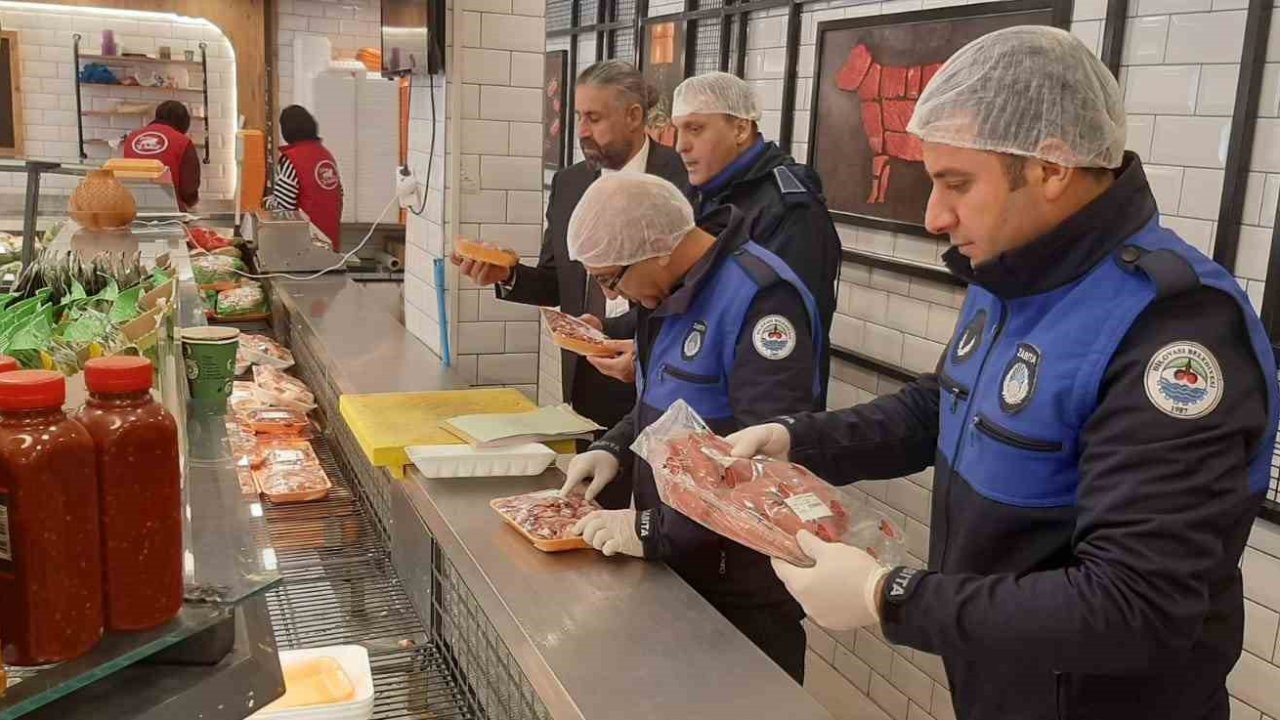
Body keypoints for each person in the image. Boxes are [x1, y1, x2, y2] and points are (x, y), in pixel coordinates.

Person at [726, 26, 1279, 720]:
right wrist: (796, 439)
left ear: (1051, 168)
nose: (934, 216)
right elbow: (942, 406)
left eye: (956, 183)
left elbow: (1137, 606)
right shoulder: (1015, 270)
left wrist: (889, 597)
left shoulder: (1174, 328)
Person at [558, 172, 827, 684]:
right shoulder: (661, 296)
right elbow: (661, 404)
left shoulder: (761, 301)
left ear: (657, 248)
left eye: (611, 279)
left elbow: (764, 469)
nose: (612, 295)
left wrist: (652, 530)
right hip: (675, 565)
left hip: (740, 589)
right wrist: (614, 447)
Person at [451, 61, 687, 505]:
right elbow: (559, 282)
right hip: (589, 376)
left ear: (634, 116)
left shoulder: (684, 179)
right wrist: (508, 275)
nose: (581, 130)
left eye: (594, 118)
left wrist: (641, 342)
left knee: (663, 514)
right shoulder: (569, 184)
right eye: (579, 116)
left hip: (662, 367)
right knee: (597, 504)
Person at [668, 72, 841, 398]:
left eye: (695, 128)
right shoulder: (700, 194)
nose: (680, 145)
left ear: (740, 129)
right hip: (693, 380)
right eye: (677, 129)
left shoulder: (790, 210)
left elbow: (778, 330)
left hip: (754, 401)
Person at [265, 105, 345, 251]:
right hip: (330, 244)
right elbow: (339, 196)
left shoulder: (293, 159)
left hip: (302, 247)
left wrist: (266, 202)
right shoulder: (326, 155)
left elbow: (284, 210)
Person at [124, 100, 200, 211]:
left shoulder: (132, 138)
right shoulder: (182, 141)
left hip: (132, 209)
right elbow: (188, 188)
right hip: (169, 212)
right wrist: (192, 202)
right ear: (184, 122)